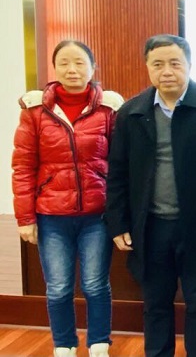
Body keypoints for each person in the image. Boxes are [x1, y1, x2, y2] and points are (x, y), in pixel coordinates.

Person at [105, 34, 196, 357]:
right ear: (147, 67)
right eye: (158, 64)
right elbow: (117, 172)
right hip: (151, 226)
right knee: (155, 303)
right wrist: (118, 223)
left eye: (175, 63)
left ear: (189, 64)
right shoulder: (132, 113)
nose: (166, 71)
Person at [11, 40, 123, 357]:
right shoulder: (35, 111)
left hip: (97, 215)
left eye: (79, 62)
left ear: (93, 67)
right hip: (51, 216)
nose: (72, 69)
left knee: (95, 284)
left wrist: (120, 214)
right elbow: (23, 167)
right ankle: (64, 345)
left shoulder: (109, 109)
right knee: (59, 287)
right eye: (64, 62)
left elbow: (121, 164)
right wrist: (25, 218)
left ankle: (99, 343)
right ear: (55, 68)